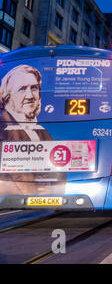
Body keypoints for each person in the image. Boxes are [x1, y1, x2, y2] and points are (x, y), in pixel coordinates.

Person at [0, 65, 66, 198]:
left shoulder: (43, 132)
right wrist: (33, 193)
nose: (29, 95)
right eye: (22, 89)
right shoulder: (2, 128)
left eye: (34, 88)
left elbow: (59, 170)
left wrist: (51, 191)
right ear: (8, 95)